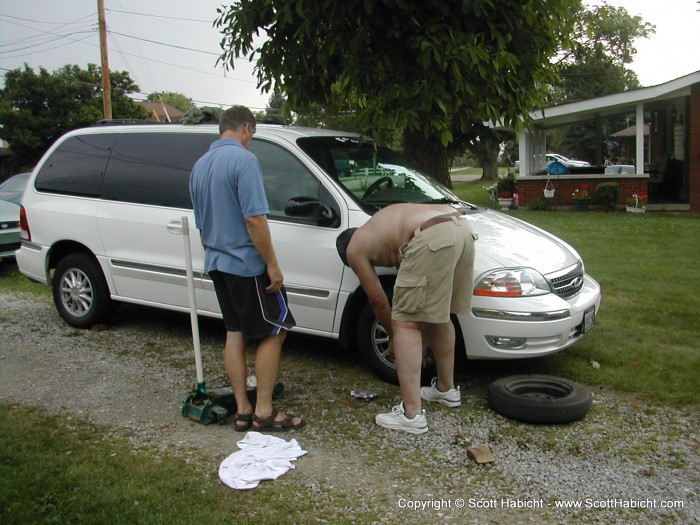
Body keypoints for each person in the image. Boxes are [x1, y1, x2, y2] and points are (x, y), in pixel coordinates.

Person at [189, 105, 304, 432]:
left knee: (235, 332)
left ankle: (242, 410)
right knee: (275, 328)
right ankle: (264, 412)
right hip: (246, 264)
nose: (250, 140)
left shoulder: (199, 166)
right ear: (246, 128)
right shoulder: (243, 160)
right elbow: (254, 219)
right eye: (251, 135)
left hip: (216, 262)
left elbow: (201, 223)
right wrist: (272, 265)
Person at [336, 204, 476, 434]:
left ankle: (411, 415)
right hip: (461, 229)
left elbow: (379, 301)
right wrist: (421, 338)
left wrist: (394, 335)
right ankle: (446, 389)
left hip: (431, 234)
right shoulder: (383, 229)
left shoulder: (353, 249)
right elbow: (421, 308)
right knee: (440, 315)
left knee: (405, 324)